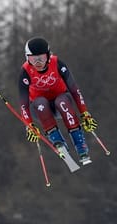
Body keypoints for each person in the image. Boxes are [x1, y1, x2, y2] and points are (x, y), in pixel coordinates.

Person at [18, 37, 98, 165]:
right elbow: (23, 103)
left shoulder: (57, 64)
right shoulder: (26, 71)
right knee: (40, 103)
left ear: (49, 55)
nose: (38, 62)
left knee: (61, 101)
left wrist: (85, 113)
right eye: (33, 59)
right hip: (40, 109)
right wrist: (29, 125)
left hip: (62, 103)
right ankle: (58, 141)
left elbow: (75, 90)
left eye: (41, 58)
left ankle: (80, 145)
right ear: (27, 58)